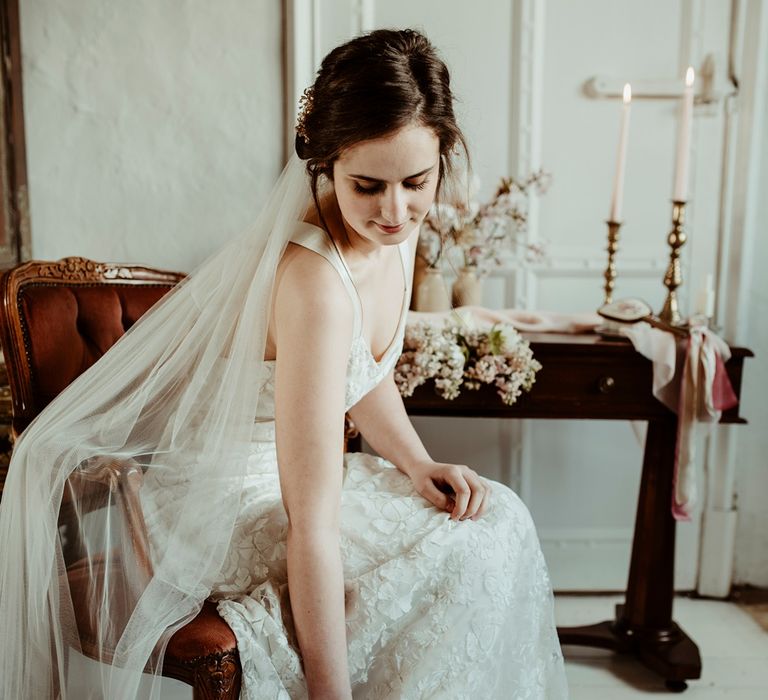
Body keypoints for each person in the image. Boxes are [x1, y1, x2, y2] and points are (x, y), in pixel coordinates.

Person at [0, 29, 567, 699]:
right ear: (326, 166)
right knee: (457, 552)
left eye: (416, 182)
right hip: (222, 502)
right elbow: (312, 523)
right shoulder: (314, 283)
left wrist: (417, 462)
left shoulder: (394, 235)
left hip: (300, 478)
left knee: (495, 518)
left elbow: (365, 370)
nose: (394, 210)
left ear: (443, 155)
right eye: (367, 186)